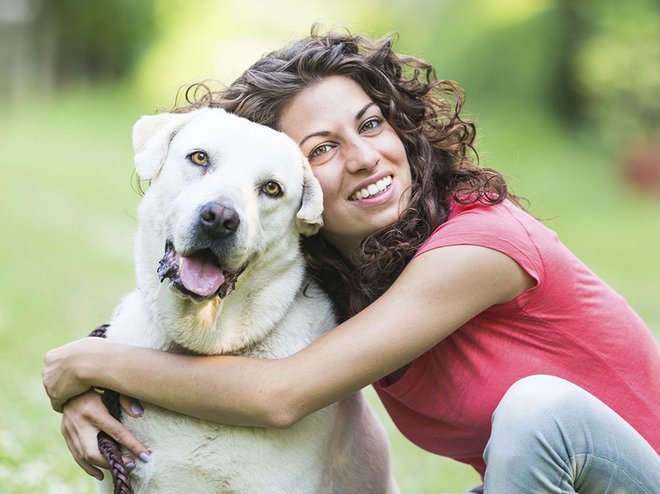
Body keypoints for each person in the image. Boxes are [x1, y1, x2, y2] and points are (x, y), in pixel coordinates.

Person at [43, 27, 660, 493]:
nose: (364, 157)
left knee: (538, 410)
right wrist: (92, 380)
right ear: (297, 197)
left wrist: (91, 362)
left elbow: (279, 393)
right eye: (324, 148)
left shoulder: (480, 246)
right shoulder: (352, 278)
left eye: (371, 124)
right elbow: (216, 329)